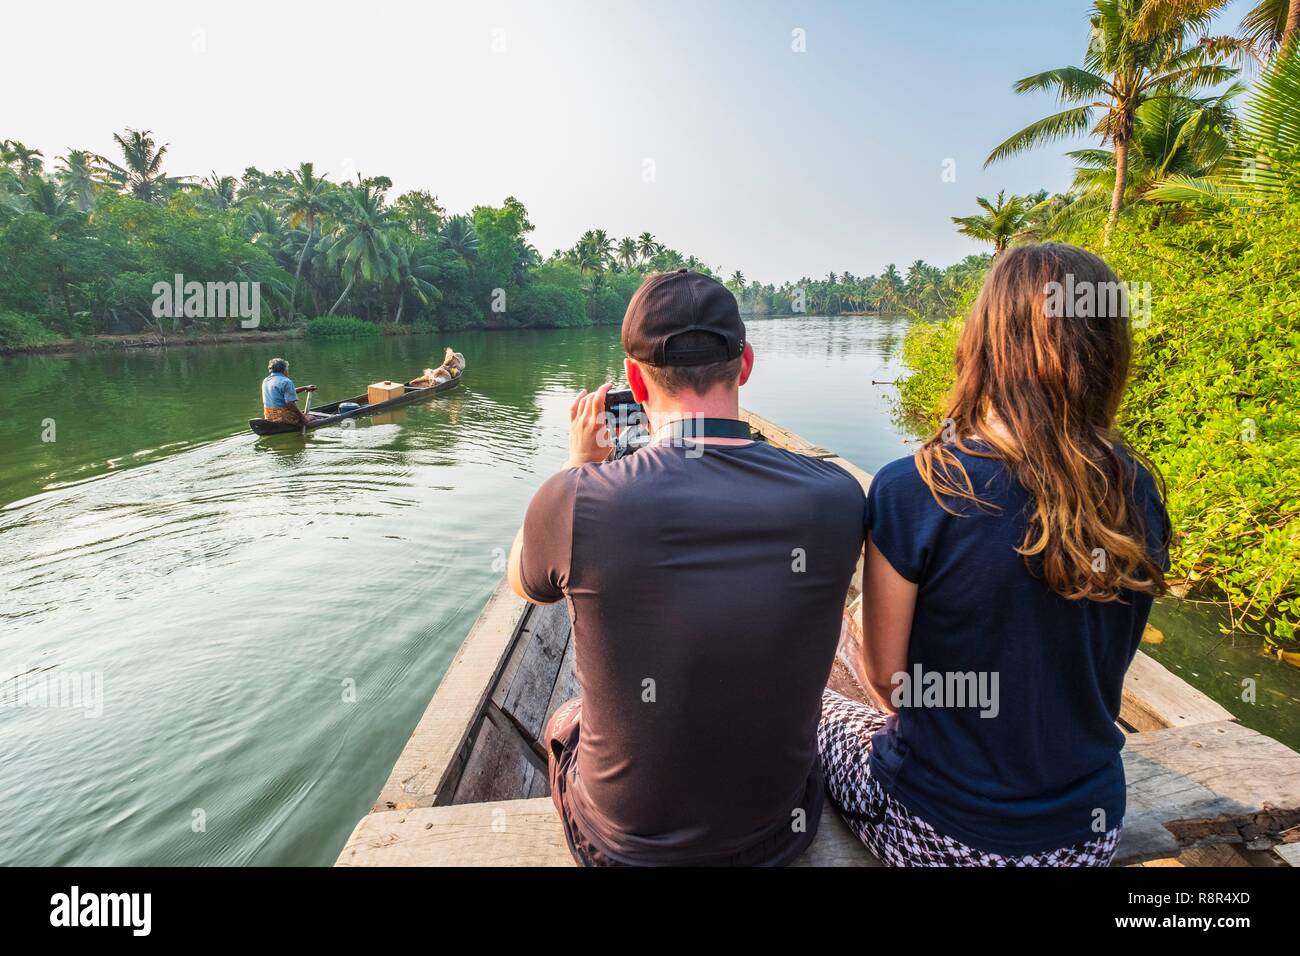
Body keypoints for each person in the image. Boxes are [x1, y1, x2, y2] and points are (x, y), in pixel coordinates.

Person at [820, 243, 1171, 867]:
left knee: (819, 709)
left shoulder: (916, 487)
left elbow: (888, 685)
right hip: (1087, 834)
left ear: (983, 346)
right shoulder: (1136, 488)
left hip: (943, 835)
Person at [507, 270, 867, 866]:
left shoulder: (576, 498)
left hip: (621, 851)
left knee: (566, 717)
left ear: (632, 379)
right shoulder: (836, 496)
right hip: (779, 833)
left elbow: (525, 584)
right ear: (745, 363)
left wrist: (576, 467)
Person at [261, 357, 316, 427]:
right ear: (284, 369)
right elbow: (289, 403)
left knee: (304, 415)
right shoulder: (286, 381)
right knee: (312, 417)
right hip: (283, 418)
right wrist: (303, 417)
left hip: (269, 416)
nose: (287, 371)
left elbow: (284, 393)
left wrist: (305, 388)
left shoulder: (266, 380)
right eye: (287, 368)